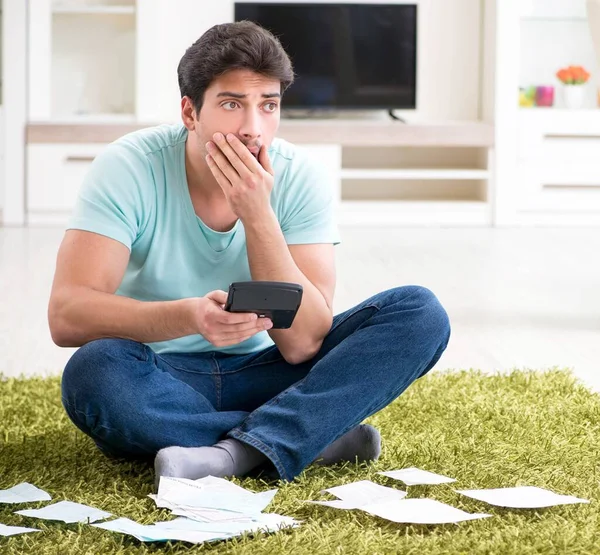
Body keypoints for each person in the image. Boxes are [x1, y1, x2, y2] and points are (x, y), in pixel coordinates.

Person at [49, 21, 451, 486]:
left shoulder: (300, 177)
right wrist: (189, 316)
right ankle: (307, 436)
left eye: (269, 106)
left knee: (420, 312)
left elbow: (303, 342)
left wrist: (258, 216)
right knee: (94, 374)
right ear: (189, 112)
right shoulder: (127, 167)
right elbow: (67, 316)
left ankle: (230, 451)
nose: (252, 128)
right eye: (232, 104)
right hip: (160, 375)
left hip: (270, 371)